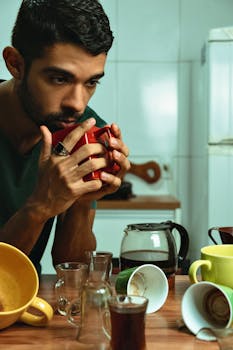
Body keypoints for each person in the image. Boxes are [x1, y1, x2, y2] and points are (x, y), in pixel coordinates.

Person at [0, 0, 130, 275]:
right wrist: (40, 206)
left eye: (91, 82)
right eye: (59, 79)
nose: (78, 104)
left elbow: (72, 269)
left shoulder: (81, 130)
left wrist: (82, 200)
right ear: (15, 64)